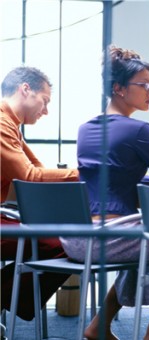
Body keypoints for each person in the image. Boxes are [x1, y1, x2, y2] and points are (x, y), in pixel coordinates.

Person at [59, 45, 149, 340]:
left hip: (77, 237)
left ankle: (98, 327)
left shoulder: (86, 128)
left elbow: (110, 172)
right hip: (114, 237)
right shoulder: (139, 131)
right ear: (118, 88)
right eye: (143, 85)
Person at [0, 66, 79, 322]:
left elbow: (37, 171)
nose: (45, 111)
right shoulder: (2, 123)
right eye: (44, 101)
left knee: (65, 241)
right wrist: (85, 174)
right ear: (25, 89)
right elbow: (29, 177)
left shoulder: (11, 125)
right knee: (67, 244)